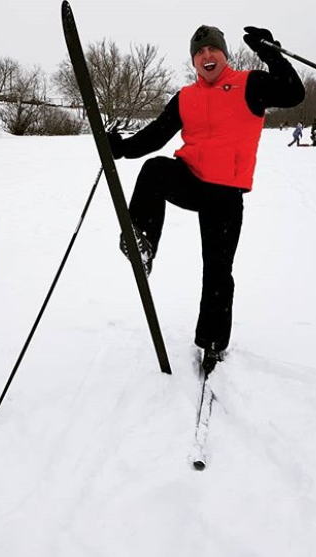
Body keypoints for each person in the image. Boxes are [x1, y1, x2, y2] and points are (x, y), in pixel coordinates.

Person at [107, 24, 305, 373]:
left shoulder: (250, 85)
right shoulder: (186, 97)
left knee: (217, 271)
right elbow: (155, 135)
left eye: (212, 50)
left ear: (224, 54)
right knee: (155, 169)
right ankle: (143, 244)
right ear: (194, 61)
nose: (206, 56)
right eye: (199, 53)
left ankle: (213, 343)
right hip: (191, 179)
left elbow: (292, 93)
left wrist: (269, 52)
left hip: (226, 193)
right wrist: (121, 148)